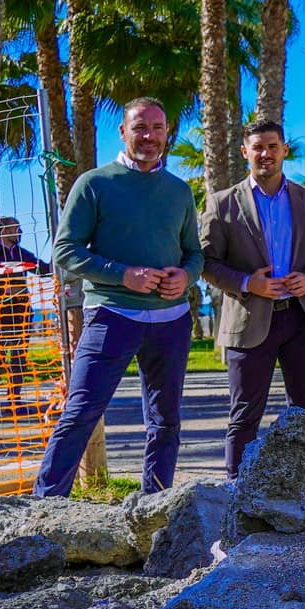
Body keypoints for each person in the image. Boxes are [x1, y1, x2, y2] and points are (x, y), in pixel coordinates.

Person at [32, 98, 201, 498]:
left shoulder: (180, 191)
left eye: (158, 128)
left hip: (171, 322)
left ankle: (154, 503)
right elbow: (66, 250)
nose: (150, 136)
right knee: (81, 413)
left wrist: (186, 277)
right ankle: (46, 504)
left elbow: (194, 253)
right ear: (123, 133)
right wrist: (124, 275)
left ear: (166, 135)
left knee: (166, 422)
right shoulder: (95, 183)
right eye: (140, 127)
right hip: (111, 316)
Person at [200, 120, 305, 477]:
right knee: (244, 415)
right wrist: (246, 283)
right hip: (248, 322)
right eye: (257, 147)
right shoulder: (222, 204)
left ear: (284, 149)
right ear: (245, 153)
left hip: (303, 319)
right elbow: (206, 263)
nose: (265, 154)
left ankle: (304, 488)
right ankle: (236, 493)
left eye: (272, 146)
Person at [0, 217, 51, 406]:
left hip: (22, 312)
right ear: (4, 231)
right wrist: (3, 291)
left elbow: (43, 269)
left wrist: (58, 252)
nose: (20, 232)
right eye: (16, 228)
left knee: (19, 358)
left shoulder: (20, 253)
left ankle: (14, 401)